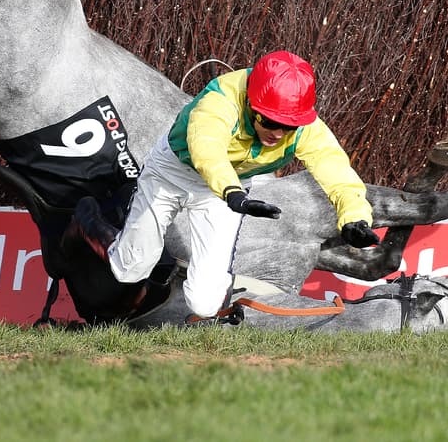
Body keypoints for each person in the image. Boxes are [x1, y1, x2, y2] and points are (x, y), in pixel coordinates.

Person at [67, 50, 380, 321]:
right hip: (174, 171)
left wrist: (354, 217)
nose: (277, 133)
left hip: (227, 189)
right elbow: (207, 149)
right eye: (269, 121)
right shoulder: (220, 100)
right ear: (250, 103)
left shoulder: (304, 127)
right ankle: (88, 218)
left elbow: (336, 170)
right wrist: (232, 193)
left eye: (288, 127)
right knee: (130, 270)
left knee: (205, 304)